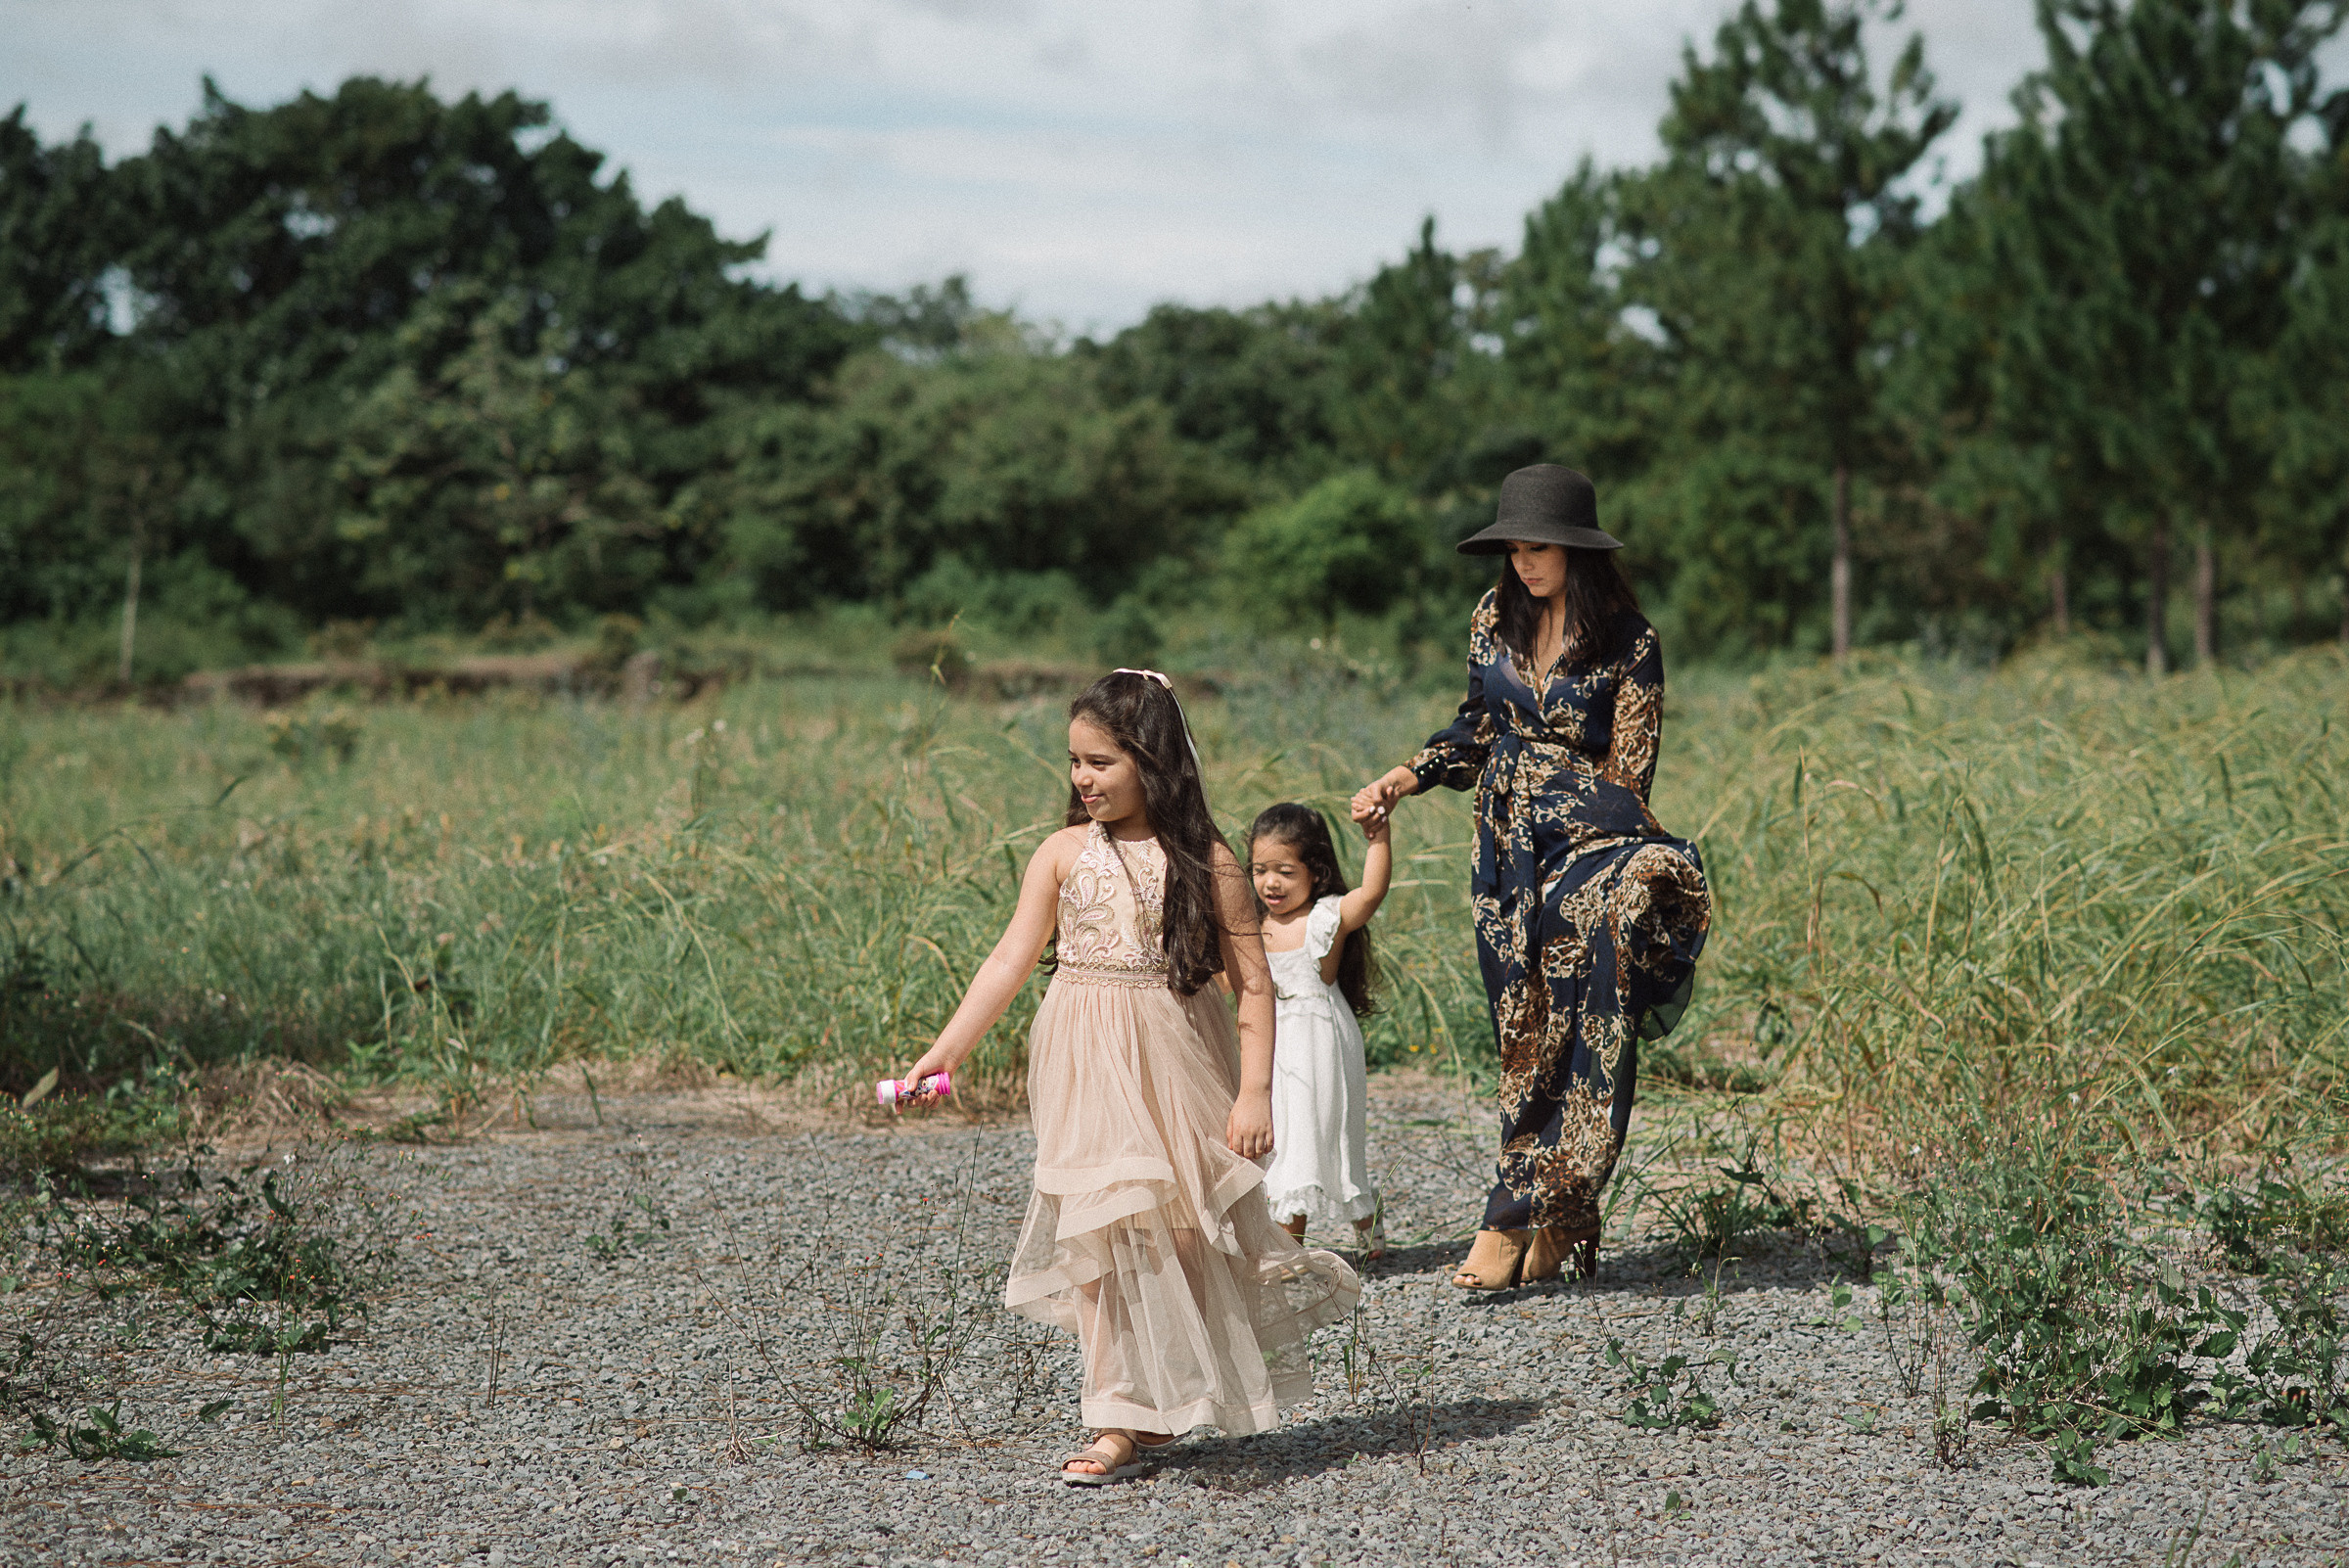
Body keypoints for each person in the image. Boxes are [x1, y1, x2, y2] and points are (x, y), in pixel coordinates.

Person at [898, 669, 1359, 1486]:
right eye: (1075, 762)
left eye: (1102, 762)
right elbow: (1009, 958)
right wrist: (948, 1048)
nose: (1083, 778)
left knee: (1183, 1234)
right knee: (1106, 1233)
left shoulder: (1209, 861)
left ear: (1154, 761)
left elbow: (1253, 985)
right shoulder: (1061, 853)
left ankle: (1170, 1394)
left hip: (1178, 1057)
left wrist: (1255, 1092)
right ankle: (1113, 1416)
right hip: (1082, 1056)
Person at [1351, 464, 1711, 1292]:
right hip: (1505, 852)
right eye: (1513, 548)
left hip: (1593, 846)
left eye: (1537, 548)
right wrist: (1406, 776)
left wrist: (1564, 805)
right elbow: (1479, 723)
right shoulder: (1492, 617)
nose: (1523, 564)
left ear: (1578, 551)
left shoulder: (1634, 644)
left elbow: (1629, 780)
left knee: (1588, 1017)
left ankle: (1514, 1215)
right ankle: (1552, 1218)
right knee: (1522, 1026)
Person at [1245, 803, 1390, 1260]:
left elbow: (1370, 893)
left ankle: (1353, 1230)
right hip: (1271, 1047)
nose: (1271, 882)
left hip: (1320, 1045)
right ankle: (1291, 1242)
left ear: (1317, 872)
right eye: (1260, 870)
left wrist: (1379, 838)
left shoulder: (1326, 917)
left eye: (1285, 871)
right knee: (1283, 1138)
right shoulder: (1252, 928)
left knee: (1327, 1135)